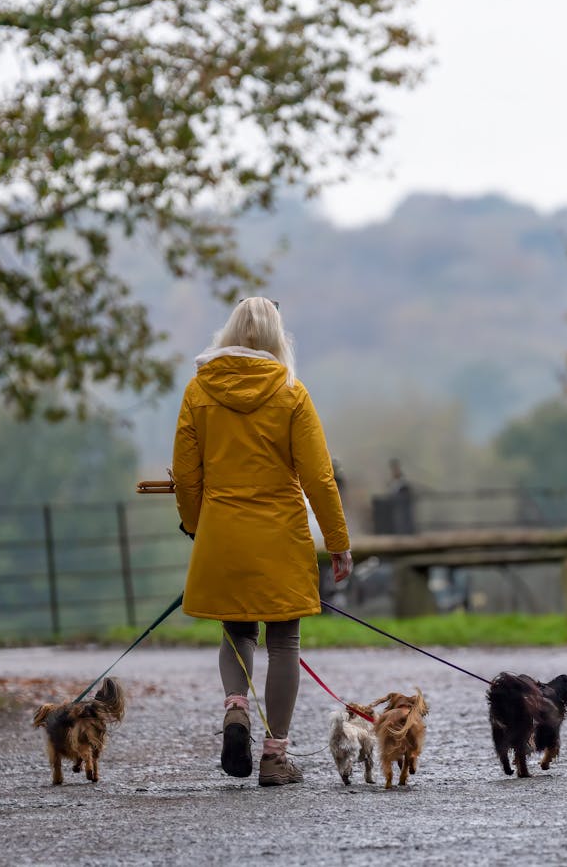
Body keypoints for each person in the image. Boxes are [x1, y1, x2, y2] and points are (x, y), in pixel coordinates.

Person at [172, 297, 353, 787]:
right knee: (284, 639)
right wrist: (338, 542)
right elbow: (319, 477)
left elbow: (188, 476)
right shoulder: (291, 392)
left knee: (236, 631)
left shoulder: (198, 391)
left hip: (224, 530)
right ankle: (275, 756)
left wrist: (195, 525)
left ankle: (236, 709)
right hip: (281, 532)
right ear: (279, 338)